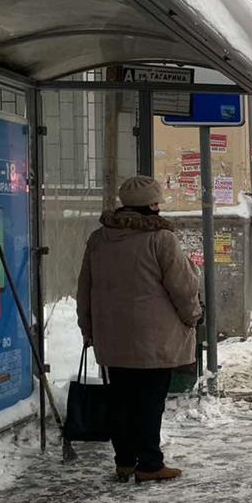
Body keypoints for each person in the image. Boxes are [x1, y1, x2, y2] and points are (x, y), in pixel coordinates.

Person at [77, 176, 201, 484]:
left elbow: (85, 287)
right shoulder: (161, 239)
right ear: (153, 204)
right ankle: (149, 463)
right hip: (153, 340)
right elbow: (183, 288)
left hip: (112, 338)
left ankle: (124, 461)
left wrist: (87, 325)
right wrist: (193, 316)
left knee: (121, 399)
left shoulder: (99, 238)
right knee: (149, 402)